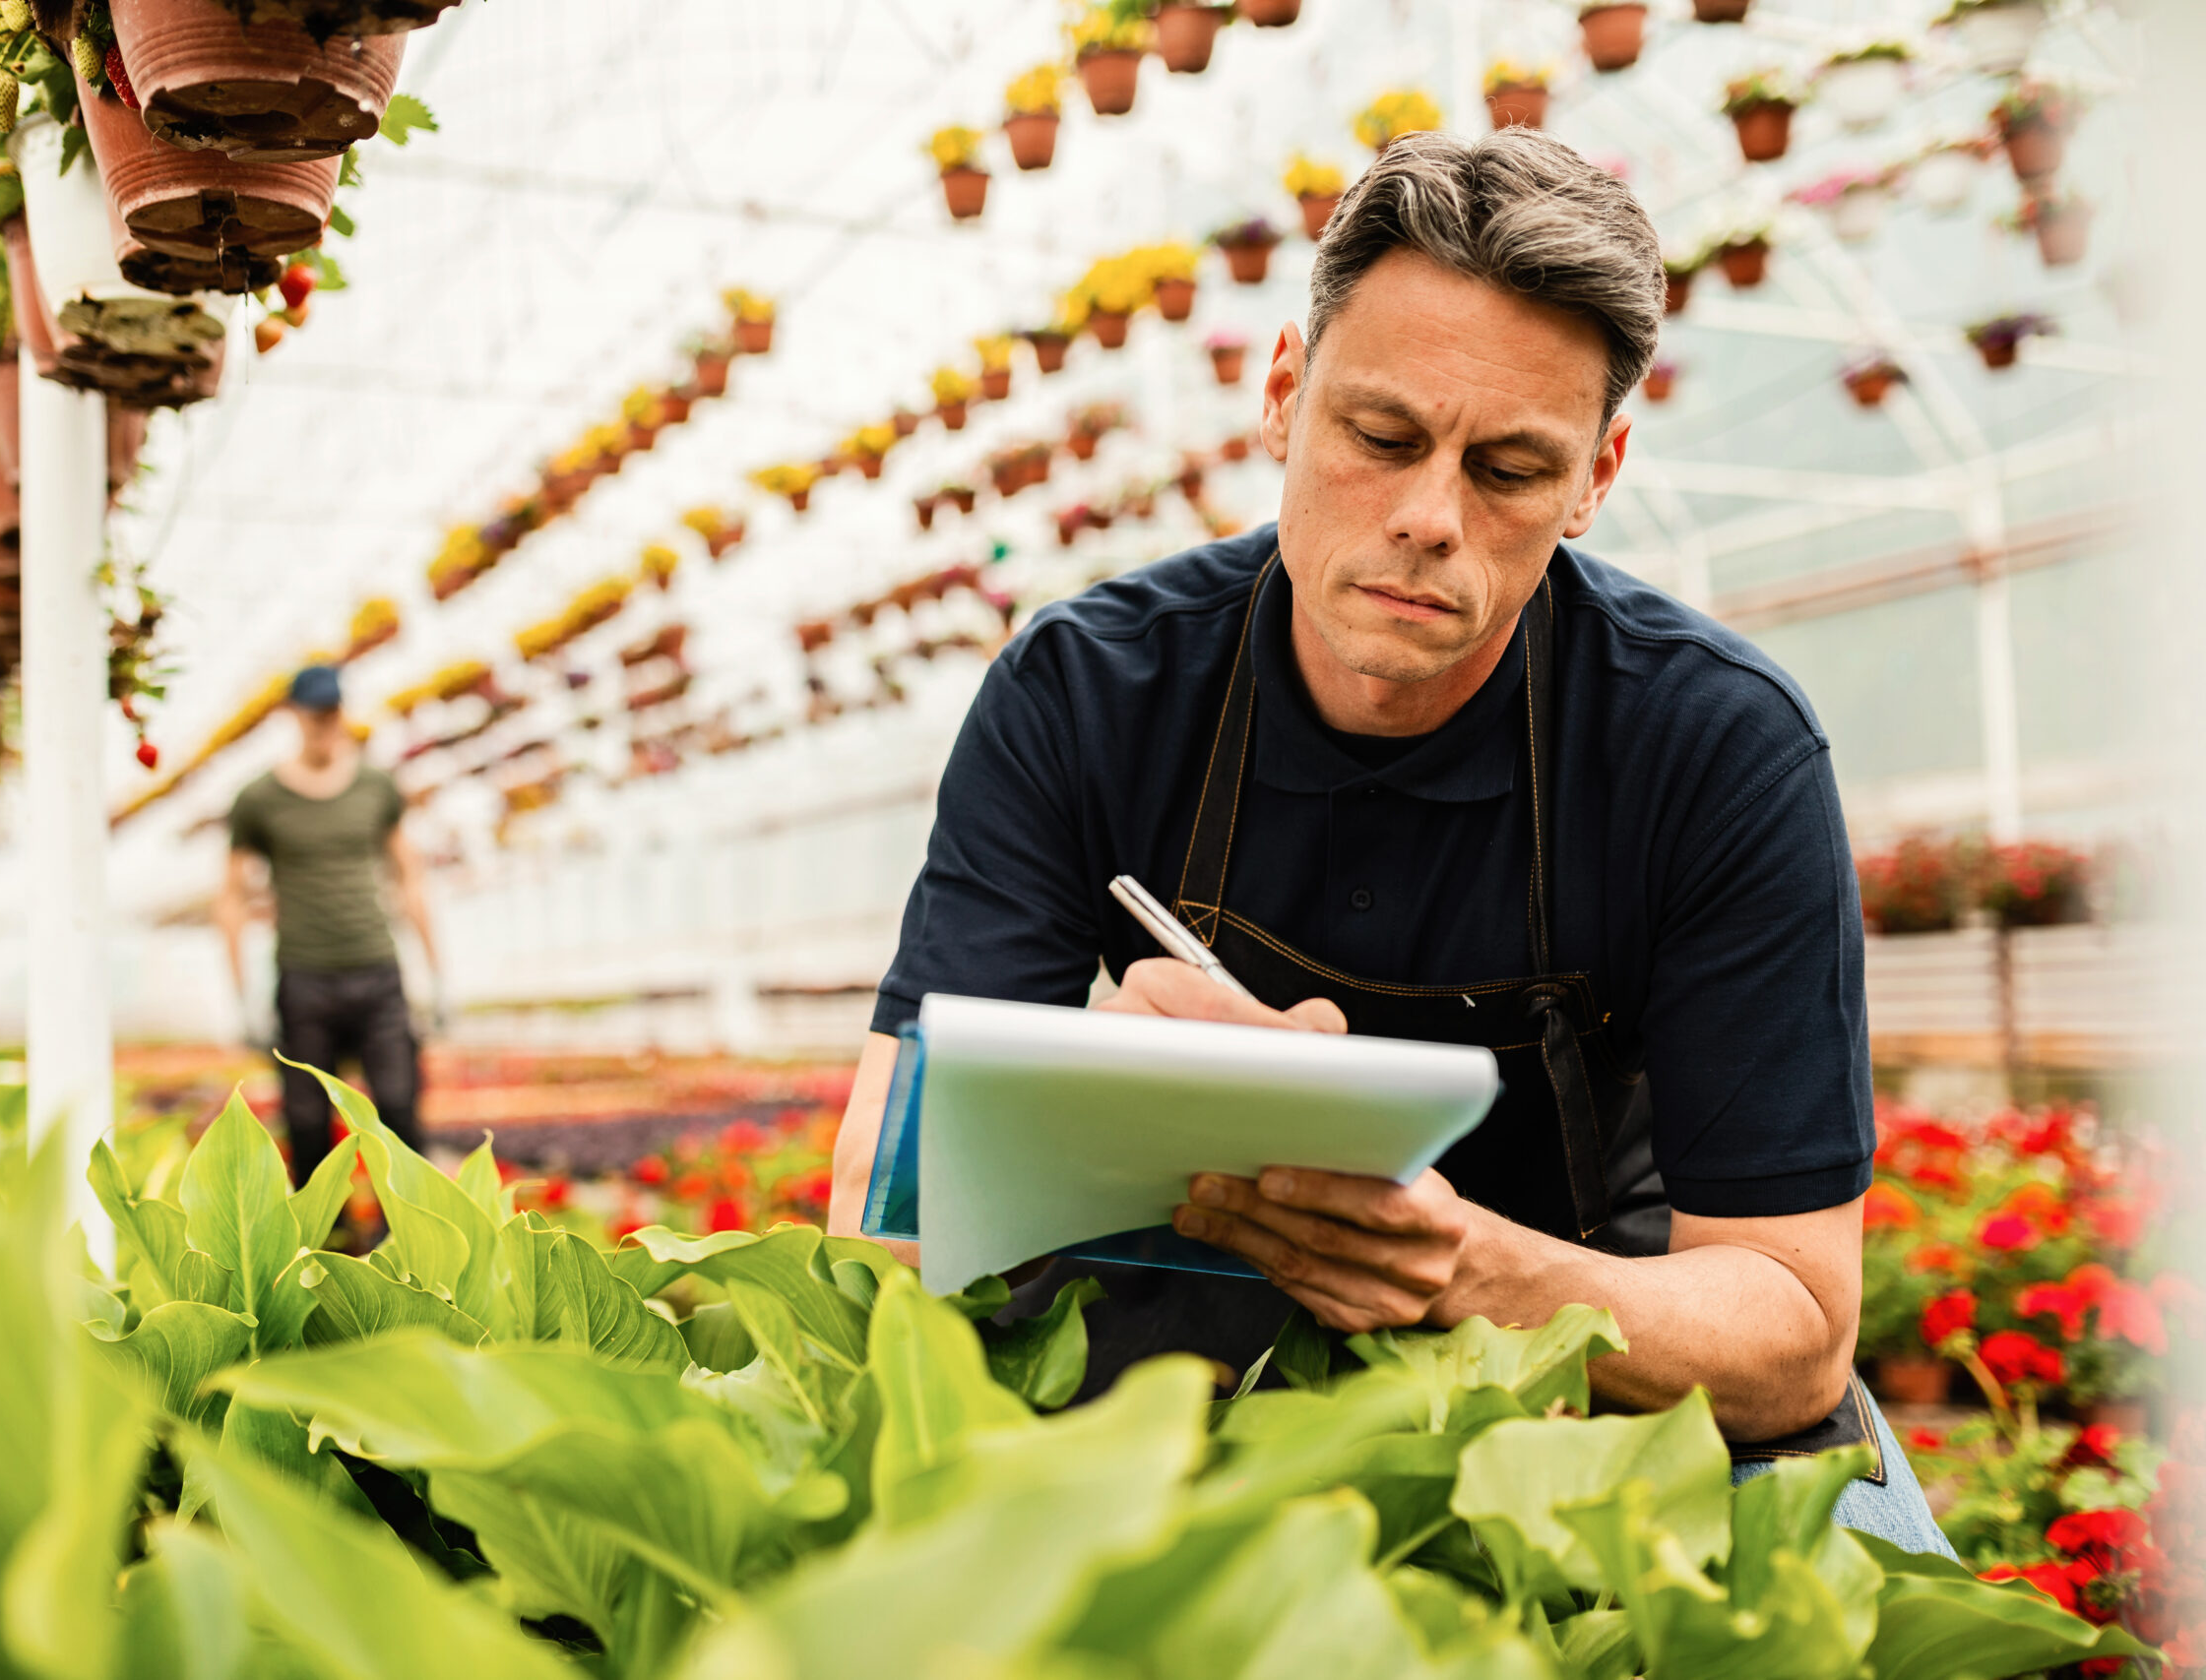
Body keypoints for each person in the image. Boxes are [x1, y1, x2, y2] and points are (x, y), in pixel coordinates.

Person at [827, 128, 1948, 1552]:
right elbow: (886, 1202)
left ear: (1597, 476)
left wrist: (1465, 1265)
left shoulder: (1715, 748)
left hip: (1591, 1359)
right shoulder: (1088, 692)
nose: (1430, 519)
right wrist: (1120, 1098)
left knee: (1892, 1601)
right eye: (1382, 436)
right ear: (1285, 397)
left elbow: (1791, 1325)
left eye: (1512, 469)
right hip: (1185, 1339)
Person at [216, 664, 440, 1183]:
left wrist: (435, 972)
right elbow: (230, 896)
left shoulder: (376, 786)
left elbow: (409, 875)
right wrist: (240, 993)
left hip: (378, 972)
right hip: (305, 981)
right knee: (308, 1123)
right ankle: (324, 1248)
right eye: (313, 713)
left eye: (332, 711)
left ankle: (405, 1246)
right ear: (293, 715)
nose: (324, 723)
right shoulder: (260, 800)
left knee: (401, 1111)